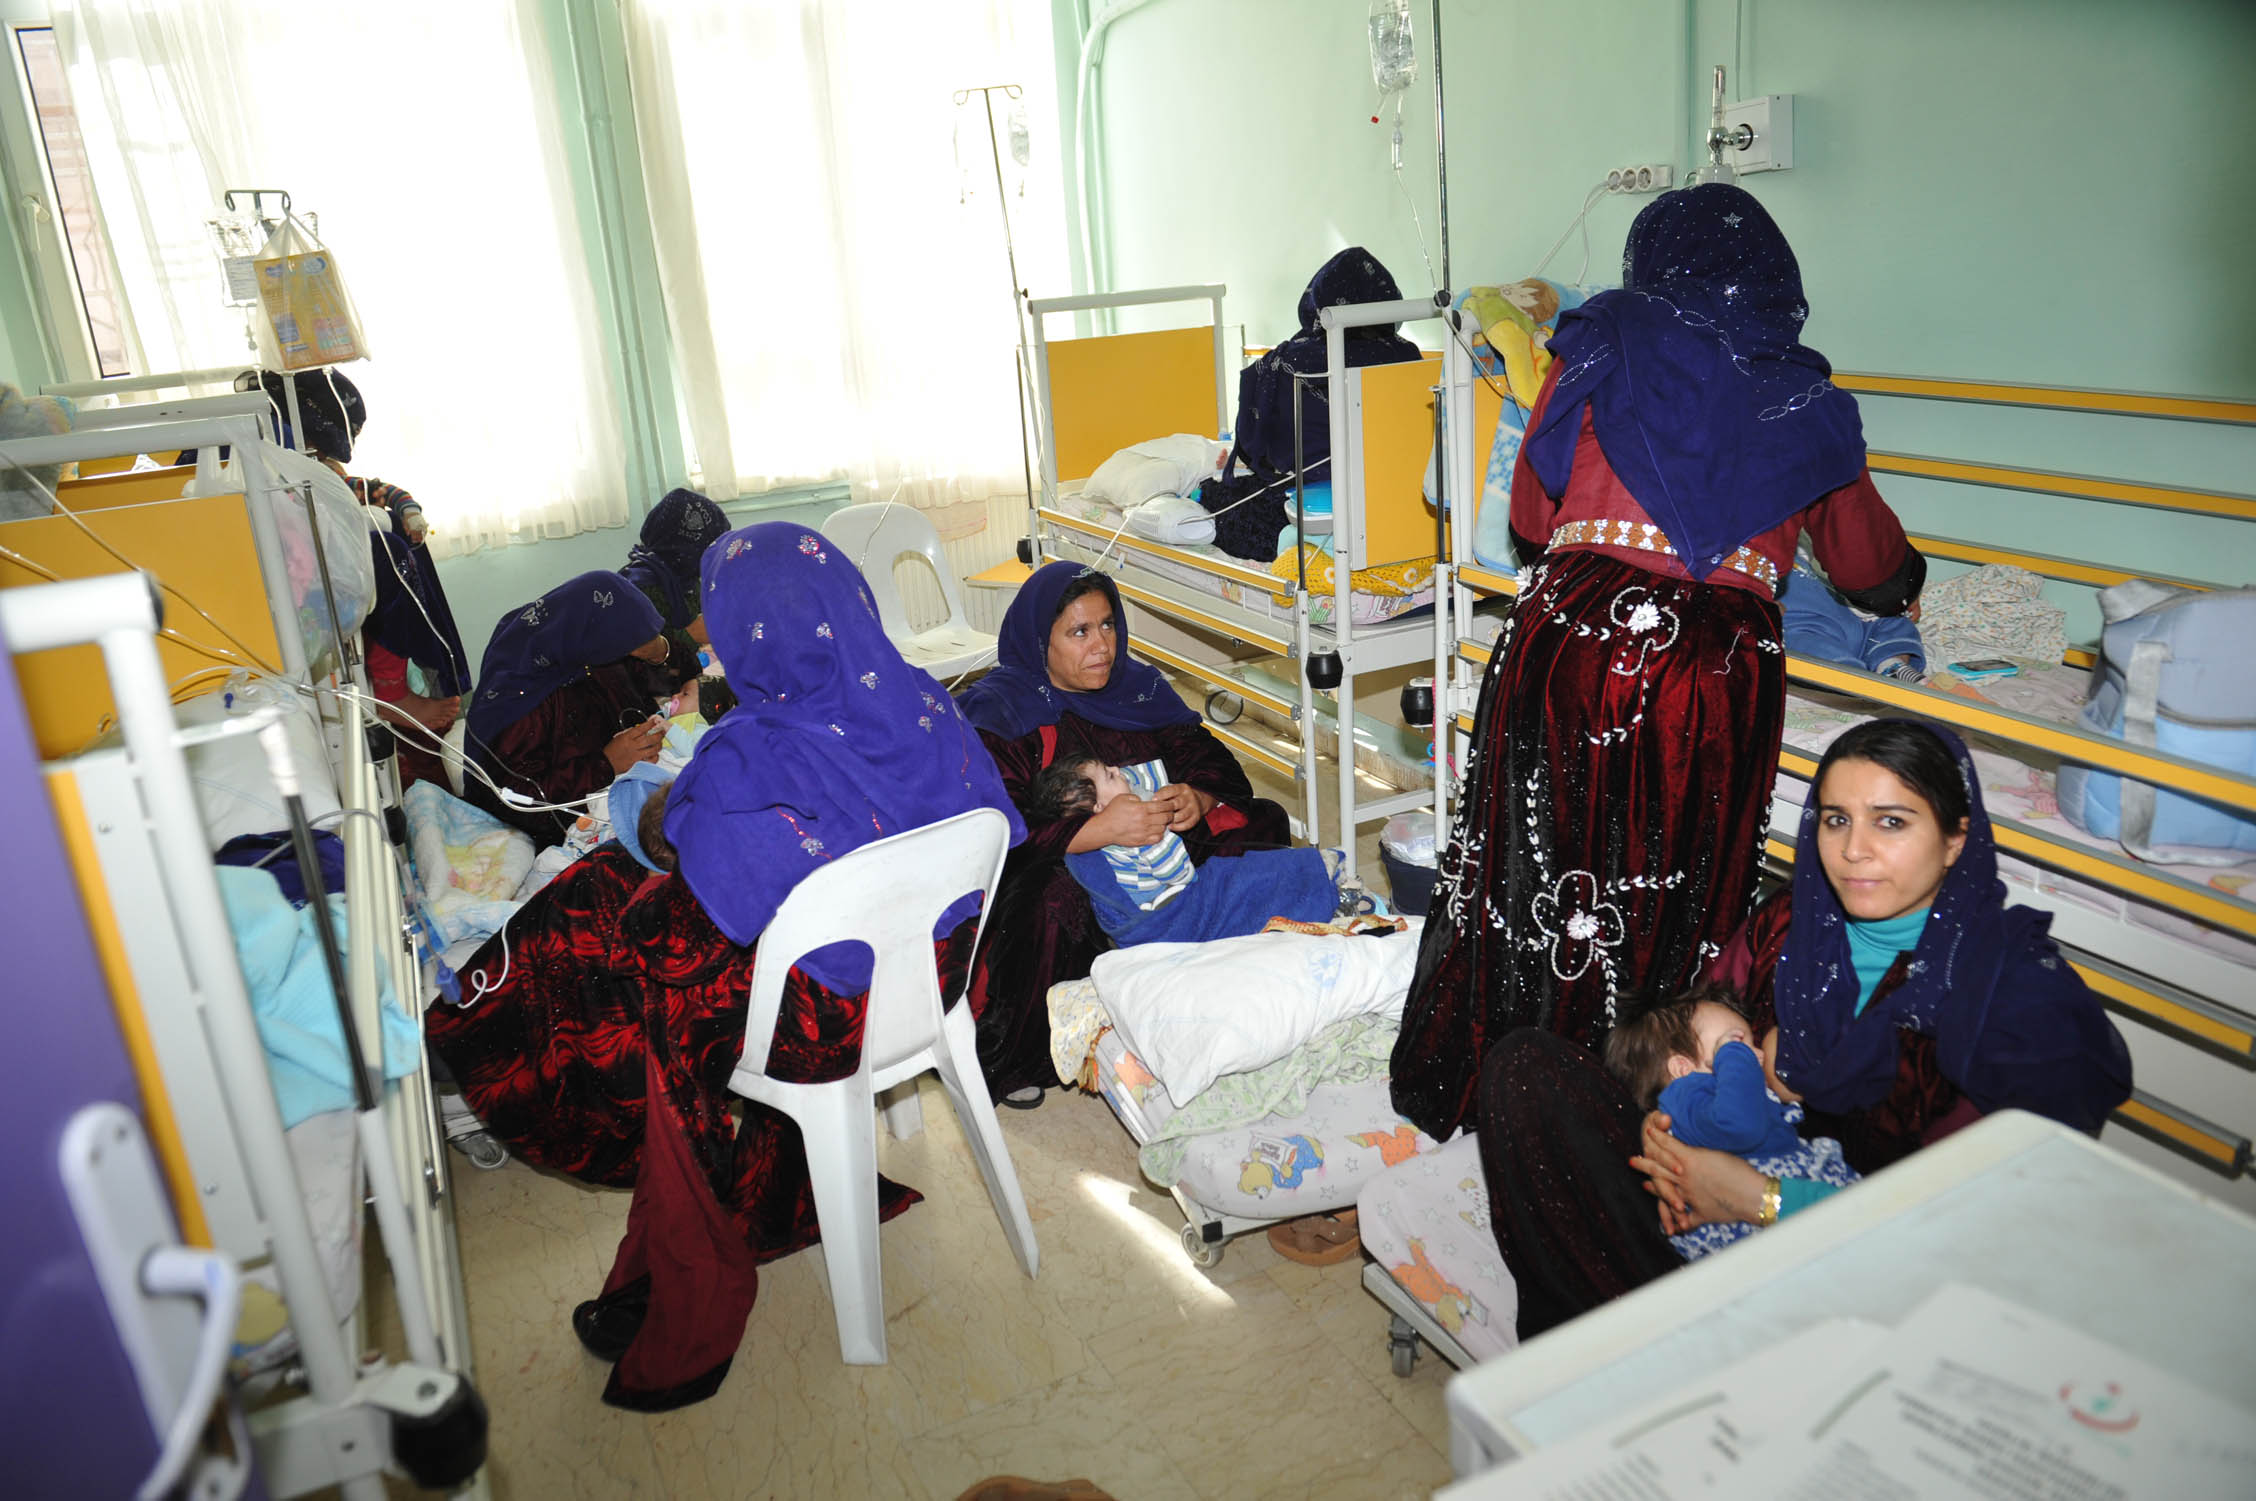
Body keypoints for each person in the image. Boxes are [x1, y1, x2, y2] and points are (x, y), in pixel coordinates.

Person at [426, 522, 1023, 1410]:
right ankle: (703, 1215)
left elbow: (690, 898)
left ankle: (677, 1259)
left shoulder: (749, 755)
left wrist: (660, 836)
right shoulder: (926, 702)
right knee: (612, 907)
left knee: (631, 977)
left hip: (831, 1019)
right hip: (931, 981)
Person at [1391, 183, 1929, 1143]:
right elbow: (1866, 565)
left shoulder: (1603, 341)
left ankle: (1498, 1086)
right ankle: (1632, 1119)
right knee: (1668, 883)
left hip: (1574, 634)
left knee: (1532, 864)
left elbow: (1529, 516)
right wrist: (1902, 587)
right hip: (1712, 671)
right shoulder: (1805, 397)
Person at [1475, 720, 2132, 1337]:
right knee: (1526, 1068)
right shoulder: (1789, 927)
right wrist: (1662, 1130)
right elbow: (1686, 1040)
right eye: (1836, 819)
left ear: (1955, 839)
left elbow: (1980, 1227)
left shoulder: (2015, 1002)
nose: (1853, 850)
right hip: (1708, 1228)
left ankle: (1670, 1350)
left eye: (1892, 821)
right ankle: (1635, 1342)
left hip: (1868, 1274)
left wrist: (1762, 1199)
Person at [955, 561, 1294, 1100]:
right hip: (1076, 877)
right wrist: (1100, 830)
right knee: (1050, 900)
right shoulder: (1003, 713)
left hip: (1161, 862)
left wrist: (1197, 797)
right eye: (1079, 632)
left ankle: (1223, 985)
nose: (1102, 646)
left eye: (1108, 625)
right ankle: (1040, 1047)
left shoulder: (1137, 691)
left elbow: (1217, 766)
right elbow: (993, 830)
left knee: (1264, 822)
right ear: (1041, 641)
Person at [1602, 983, 1856, 1261]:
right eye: (1738, 1043)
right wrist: (1735, 1056)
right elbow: (1739, 1127)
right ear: (1683, 1069)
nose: (1757, 1055)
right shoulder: (1690, 1094)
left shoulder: (1725, 1099)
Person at [1028, 753, 1350, 945]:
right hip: (1178, 912)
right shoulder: (1139, 835)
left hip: (1173, 896)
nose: (1119, 770)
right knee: (1241, 878)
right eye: (1110, 775)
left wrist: (1186, 794)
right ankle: (1320, 877)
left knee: (1244, 862)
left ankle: (1311, 878)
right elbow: (1179, 873)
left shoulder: (1104, 820)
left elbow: (1144, 774)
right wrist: (1163, 831)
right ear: (1099, 808)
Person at [462, 570, 671, 846]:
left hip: (616, 788)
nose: (632, 649)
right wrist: (606, 764)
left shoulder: (596, 654)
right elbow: (518, 802)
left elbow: (662, 681)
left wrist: (658, 650)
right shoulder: (529, 700)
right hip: (553, 828)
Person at [619, 486, 728, 709]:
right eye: (706, 550)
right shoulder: (642, 587)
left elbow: (701, 612)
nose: (712, 559)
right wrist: (704, 631)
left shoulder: (684, 577)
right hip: (648, 690)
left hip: (683, 675)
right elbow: (662, 647)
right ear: (681, 549)